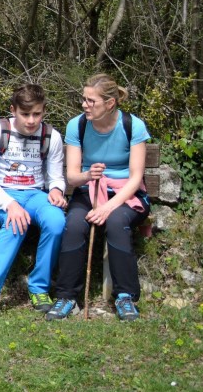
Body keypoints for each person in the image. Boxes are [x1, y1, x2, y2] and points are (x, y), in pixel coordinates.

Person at [0, 84, 67, 323]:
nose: (31, 120)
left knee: (57, 221)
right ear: (13, 110)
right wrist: (10, 204)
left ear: (44, 111)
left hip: (36, 194)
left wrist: (58, 190)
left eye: (36, 114)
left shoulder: (52, 136)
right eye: (25, 114)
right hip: (2, 194)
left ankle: (39, 288)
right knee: (15, 224)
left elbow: (56, 177)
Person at [46, 74, 151, 321]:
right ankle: (66, 297)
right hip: (90, 190)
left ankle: (125, 297)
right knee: (73, 224)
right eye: (83, 99)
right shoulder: (77, 125)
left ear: (110, 104)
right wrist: (87, 175)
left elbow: (136, 178)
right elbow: (72, 177)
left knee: (116, 222)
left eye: (91, 101)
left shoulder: (133, 126)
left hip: (126, 194)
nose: (85, 105)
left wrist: (109, 207)